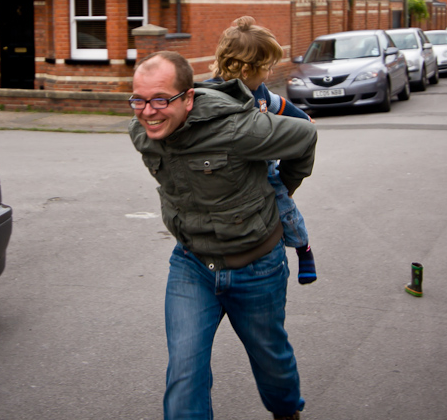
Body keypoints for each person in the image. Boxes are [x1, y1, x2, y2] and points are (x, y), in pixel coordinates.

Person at [128, 51, 317, 420]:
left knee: (273, 365)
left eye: (161, 99)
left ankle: (287, 412)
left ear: (188, 98)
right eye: (139, 99)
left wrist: (281, 191)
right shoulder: (143, 133)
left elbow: (305, 136)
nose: (148, 112)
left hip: (257, 266)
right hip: (192, 265)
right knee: (184, 373)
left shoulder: (237, 130)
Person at [209, 16, 317, 284]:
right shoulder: (212, 94)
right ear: (246, 70)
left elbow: (280, 105)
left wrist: (302, 120)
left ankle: (304, 248)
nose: (270, 74)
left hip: (265, 168)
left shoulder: (261, 92)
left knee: (284, 207)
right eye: (267, 68)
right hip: (229, 172)